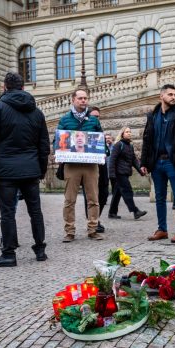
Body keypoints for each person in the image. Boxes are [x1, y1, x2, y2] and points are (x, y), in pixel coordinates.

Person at [0, 72, 50, 266]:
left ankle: (9, 253)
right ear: (23, 88)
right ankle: (40, 249)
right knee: (36, 210)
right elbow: (44, 146)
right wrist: (41, 169)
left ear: (4, 87)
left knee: (7, 213)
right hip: (31, 169)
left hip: (6, 170)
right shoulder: (37, 112)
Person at [140, 84, 175, 243]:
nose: (173, 97)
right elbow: (147, 140)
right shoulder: (152, 116)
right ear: (161, 96)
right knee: (160, 198)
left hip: (173, 162)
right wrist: (144, 162)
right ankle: (162, 229)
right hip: (156, 163)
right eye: (170, 94)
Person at [56, 89, 104, 242]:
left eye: (85, 98)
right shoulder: (65, 120)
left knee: (93, 199)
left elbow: (101, 140)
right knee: (69, 200)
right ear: (73, 100)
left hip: (91, 165)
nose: (83, 101)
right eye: (80, 98)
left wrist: (104, 151)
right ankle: (69, 231)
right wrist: (58, 151)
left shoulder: (94, 120)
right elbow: (57, 141)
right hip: (72, 165)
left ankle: (93, 229)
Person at [108, 126, 147, 220]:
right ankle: (135, 211)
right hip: (119, 173)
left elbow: (134, 160)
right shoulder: (118, 145)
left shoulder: (130, 145)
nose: (129, 133)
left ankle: (112, 213)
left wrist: (141, 171)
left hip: (125, 172)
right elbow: (112, 160)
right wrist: (112, 174)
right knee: (127, 191)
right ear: (122, 134)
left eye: (130, 132)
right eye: (127, 132)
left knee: (117, 193)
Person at [81, 107, 109, 233]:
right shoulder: (83, 129)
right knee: (90, 194)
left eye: (98, 116)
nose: (96, 119)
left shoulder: (99, 129)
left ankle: (95, 217)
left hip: (101, 165)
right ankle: (93, 221)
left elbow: (105, 149)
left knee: (104, 193)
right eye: (94, 116)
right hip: (88, 165)